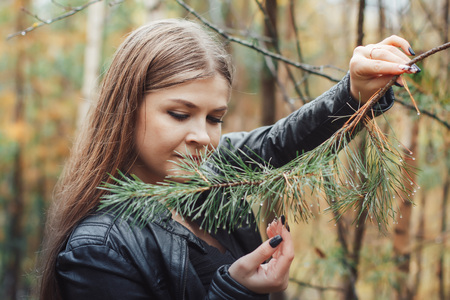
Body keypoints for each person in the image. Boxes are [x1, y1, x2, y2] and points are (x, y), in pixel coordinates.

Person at [37, 18, 418, 300]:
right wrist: (235, 292)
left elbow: (283, 141)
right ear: (126, 108)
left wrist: (356, 91)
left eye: (214, 118)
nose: (203, 137)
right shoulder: (98, 249)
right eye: (179, 114)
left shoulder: (212, 173)